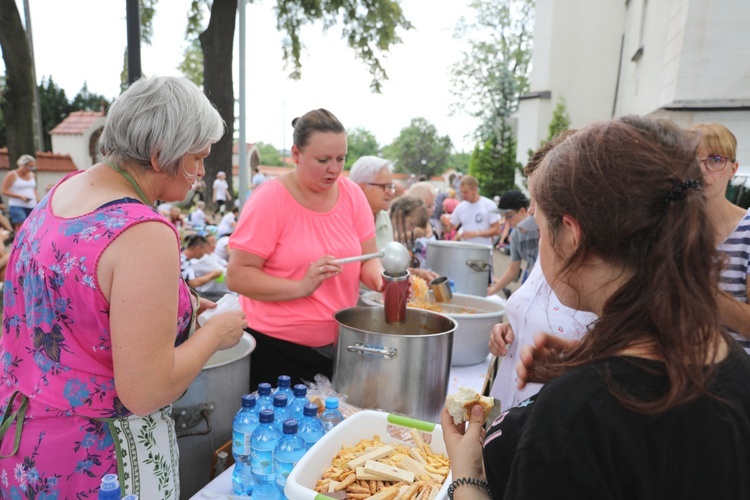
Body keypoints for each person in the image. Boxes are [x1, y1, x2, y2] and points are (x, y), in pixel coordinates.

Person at [442, 116, 750, 499]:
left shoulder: (574, 418)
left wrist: (467, 473)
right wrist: (592, 360)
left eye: (541, 227)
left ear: (571, 236)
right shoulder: (730, 360)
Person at [0, 76, 247, 498]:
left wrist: (184, 302)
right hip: (99, 460)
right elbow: (147, 391)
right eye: (197, 158)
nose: (202, 173)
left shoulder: (64, 191)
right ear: (158, 154)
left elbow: (80, 299)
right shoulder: (143, 233)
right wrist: (215, 335)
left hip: (26, 434)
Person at [226, 109, 384, 390]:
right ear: (296, 154)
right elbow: (238, 276)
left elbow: (369, 260)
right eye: (323, 160)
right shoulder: (271, 199)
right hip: (275, 350)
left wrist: (383, 281)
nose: (334, 169)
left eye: (340, 159)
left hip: (338, 347)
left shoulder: (352, 195)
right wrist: (301, 286)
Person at [487, 130, 596, 411]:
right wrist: (510, 326)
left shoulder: (600, 277)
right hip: (517, 407)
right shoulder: (549, 244)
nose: (532, 210)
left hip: (550, 417)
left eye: (539, 199)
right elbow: (534, 305)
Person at [690, 122, 750, 354]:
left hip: (734, 379)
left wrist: (694, 285)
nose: (702, 170)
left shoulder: (746, 230)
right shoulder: (670, 227)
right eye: (693, 160)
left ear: (733, 169)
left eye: (715, 159)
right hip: (678, 374)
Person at [486, 189, 539, 297]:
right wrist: (493, 290)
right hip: (530, 278)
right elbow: (513, 269)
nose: (507, 221)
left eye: (509, 216)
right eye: (504, 217)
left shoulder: (540, 229)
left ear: (523, 211)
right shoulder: (515, 235)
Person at [349, 155, 396, 250]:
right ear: (362, 187)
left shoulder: (384, 217)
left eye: (391, 186)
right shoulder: (345, 219)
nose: (390, 193)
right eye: (385, 186)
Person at [441, 175, 500, 246]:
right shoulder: (460, 206)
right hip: (465, 250)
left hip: (483, 250)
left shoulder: (489, 205)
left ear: (475, 189)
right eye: (461, 192)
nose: (463, 195)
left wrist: (475, 234)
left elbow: (496, 230)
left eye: (465, 192)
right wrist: (444, 223)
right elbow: (449, 228)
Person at [2, 154, 39, 231]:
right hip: (17, 205)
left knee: (32, 226)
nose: (31, 169)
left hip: (31, 204)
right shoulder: (12, 175)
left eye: (33, 166)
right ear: (23, 165)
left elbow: (34, 190)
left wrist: (39, 201)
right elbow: (4, 190)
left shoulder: (32, 175)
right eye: (30, 166)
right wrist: (20, 196)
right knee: (22, 227)